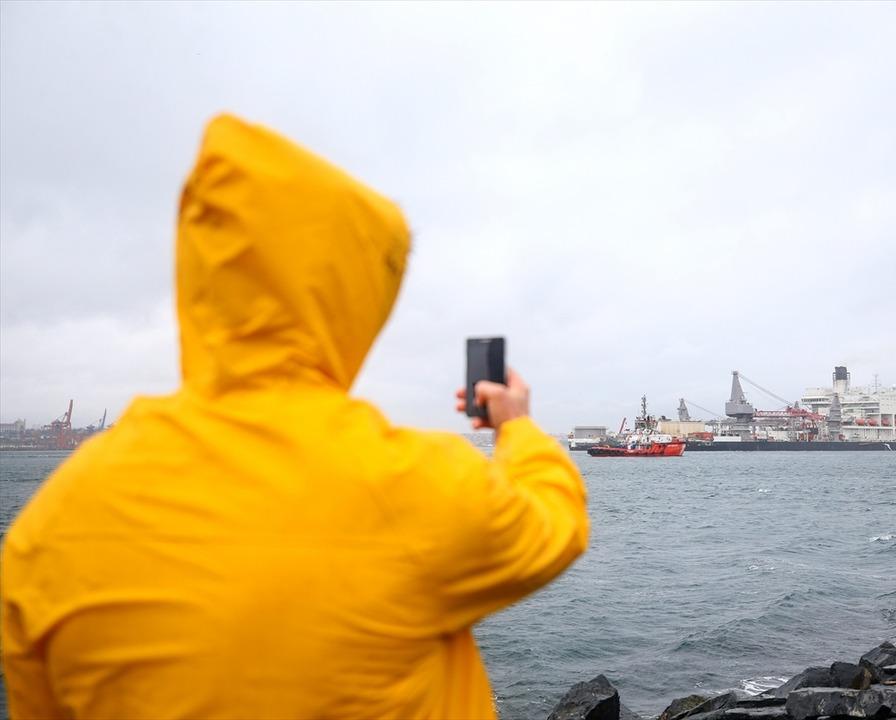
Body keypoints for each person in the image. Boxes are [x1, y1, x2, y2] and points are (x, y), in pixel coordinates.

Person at [1, 114, 589, 720]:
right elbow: (555, 525)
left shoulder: (48, 528)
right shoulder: (409, 481)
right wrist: (516, 425)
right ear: (352, 295)